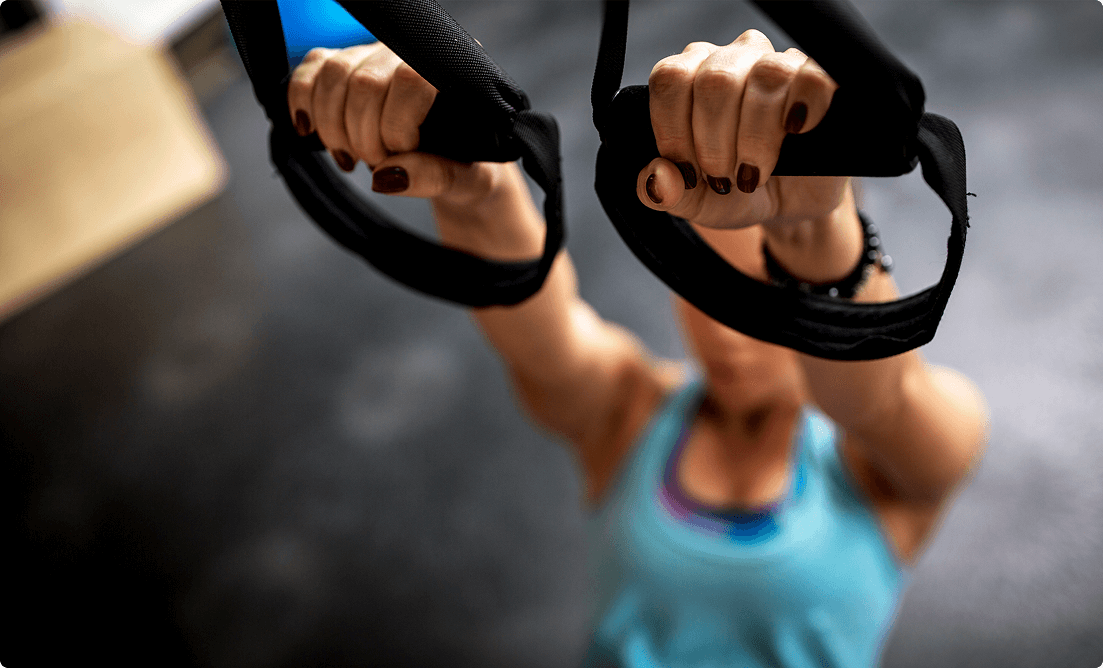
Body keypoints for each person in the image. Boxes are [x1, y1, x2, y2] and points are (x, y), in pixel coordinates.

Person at [286, 30, 989, 668]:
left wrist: (814, 233)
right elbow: (542, 335)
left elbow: (875, 394)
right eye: (705, 289)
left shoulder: (901, 450)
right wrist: (478, 189)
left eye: (760, 296)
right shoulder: (630, 412)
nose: (726, 331)